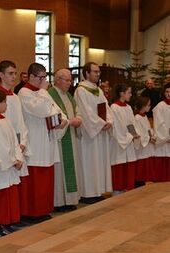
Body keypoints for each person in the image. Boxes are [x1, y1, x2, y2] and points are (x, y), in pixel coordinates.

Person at [18, 63, 67, 220]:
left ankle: (43, 209)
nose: (44, 80)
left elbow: (56, 110)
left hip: (47, 140)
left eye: (45, 77)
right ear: (31, 76)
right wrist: (43, 91)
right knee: (35, 180)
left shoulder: (42, 92)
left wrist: (63, 120)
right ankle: (32, 213)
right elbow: (42, 110)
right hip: (35, 140)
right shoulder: (24, 92)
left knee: (46, 179)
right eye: (41, 77)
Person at [74, 62, 113, 203]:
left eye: (98, 72)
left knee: (99, 161)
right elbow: (86, 113)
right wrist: (102, 124)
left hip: (100, 131)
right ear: (86, 73)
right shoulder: (81, 90)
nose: (98, 74)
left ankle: (98, 191)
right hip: (89, 135)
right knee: (89, 162)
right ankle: (88, 193)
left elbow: (107, 108)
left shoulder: (98, 90)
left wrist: (109, 121)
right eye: (95, 71)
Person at [0, 90, 23, 235]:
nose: (6, 105)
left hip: (10, 164)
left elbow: (14, 141)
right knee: (0, 198)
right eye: (4, 102)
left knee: (8, 196)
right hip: (1, 167)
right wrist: (13, 160)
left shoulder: (4, 119)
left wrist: (18, 157)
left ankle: (5, 223)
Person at [0, 60, 30, 218]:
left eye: (15, 73)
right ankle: (4, 219)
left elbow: (21, 123)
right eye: (10, 73)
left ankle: (15, 217)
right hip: (5, 148)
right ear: (1, 75)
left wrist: (22, 142)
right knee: (4, 185)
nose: (14, 77)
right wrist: (12, 148)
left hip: (17, 146)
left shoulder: (15, 97)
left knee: (16, 183)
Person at [48, 69, 82, 211]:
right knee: (59, 169)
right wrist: (69, 122)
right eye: (67, 80)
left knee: (70, 167)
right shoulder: (50, 95)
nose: (70, 83)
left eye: (70, 80)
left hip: (70, 137)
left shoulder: (69, 96)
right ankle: (58, 202)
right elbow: (53, 117)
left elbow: (77, 111)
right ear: (57, 80)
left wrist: (79, 119)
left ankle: (69, 200)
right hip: (58, 140)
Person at [110, 84, 138, 194]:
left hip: (128, 140)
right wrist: (130, 136)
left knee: (128, 165)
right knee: (119, 165)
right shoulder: (114, 107)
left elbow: (131, 123)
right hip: (119, 142)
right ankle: (117, 190)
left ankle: (127, 188)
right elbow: (118, 127)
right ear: (122, 93)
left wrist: (134, 134)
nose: (131, 95)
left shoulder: (128, 107)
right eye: (129, 92)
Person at [134, 96, 156, 186]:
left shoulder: (144, 117)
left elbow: (148, 129)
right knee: (140, 170)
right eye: (148, 105)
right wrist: (148, 138)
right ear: (143, 106)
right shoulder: (137, 118)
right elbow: (138, 133)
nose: (149, 106)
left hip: (147, 145)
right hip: (141, 149)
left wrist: (153, 135)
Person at [152, 82, 170, 181]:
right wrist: (167, 136)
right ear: (164, 93)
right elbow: (159, 123)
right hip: (164, 140)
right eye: (167, 91)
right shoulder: (160, 106)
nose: (169, 94)